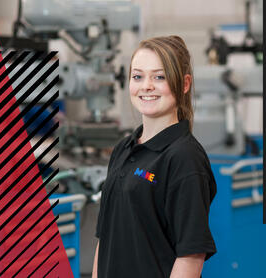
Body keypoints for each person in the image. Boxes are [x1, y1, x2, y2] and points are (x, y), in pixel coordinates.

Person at [93, 35, 217, 278]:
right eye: (138, 76)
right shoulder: (123, 149)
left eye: (159, 77)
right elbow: (104, 239)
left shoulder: (184, 157)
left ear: (184, 84)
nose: (146, 86)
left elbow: (190, 256)